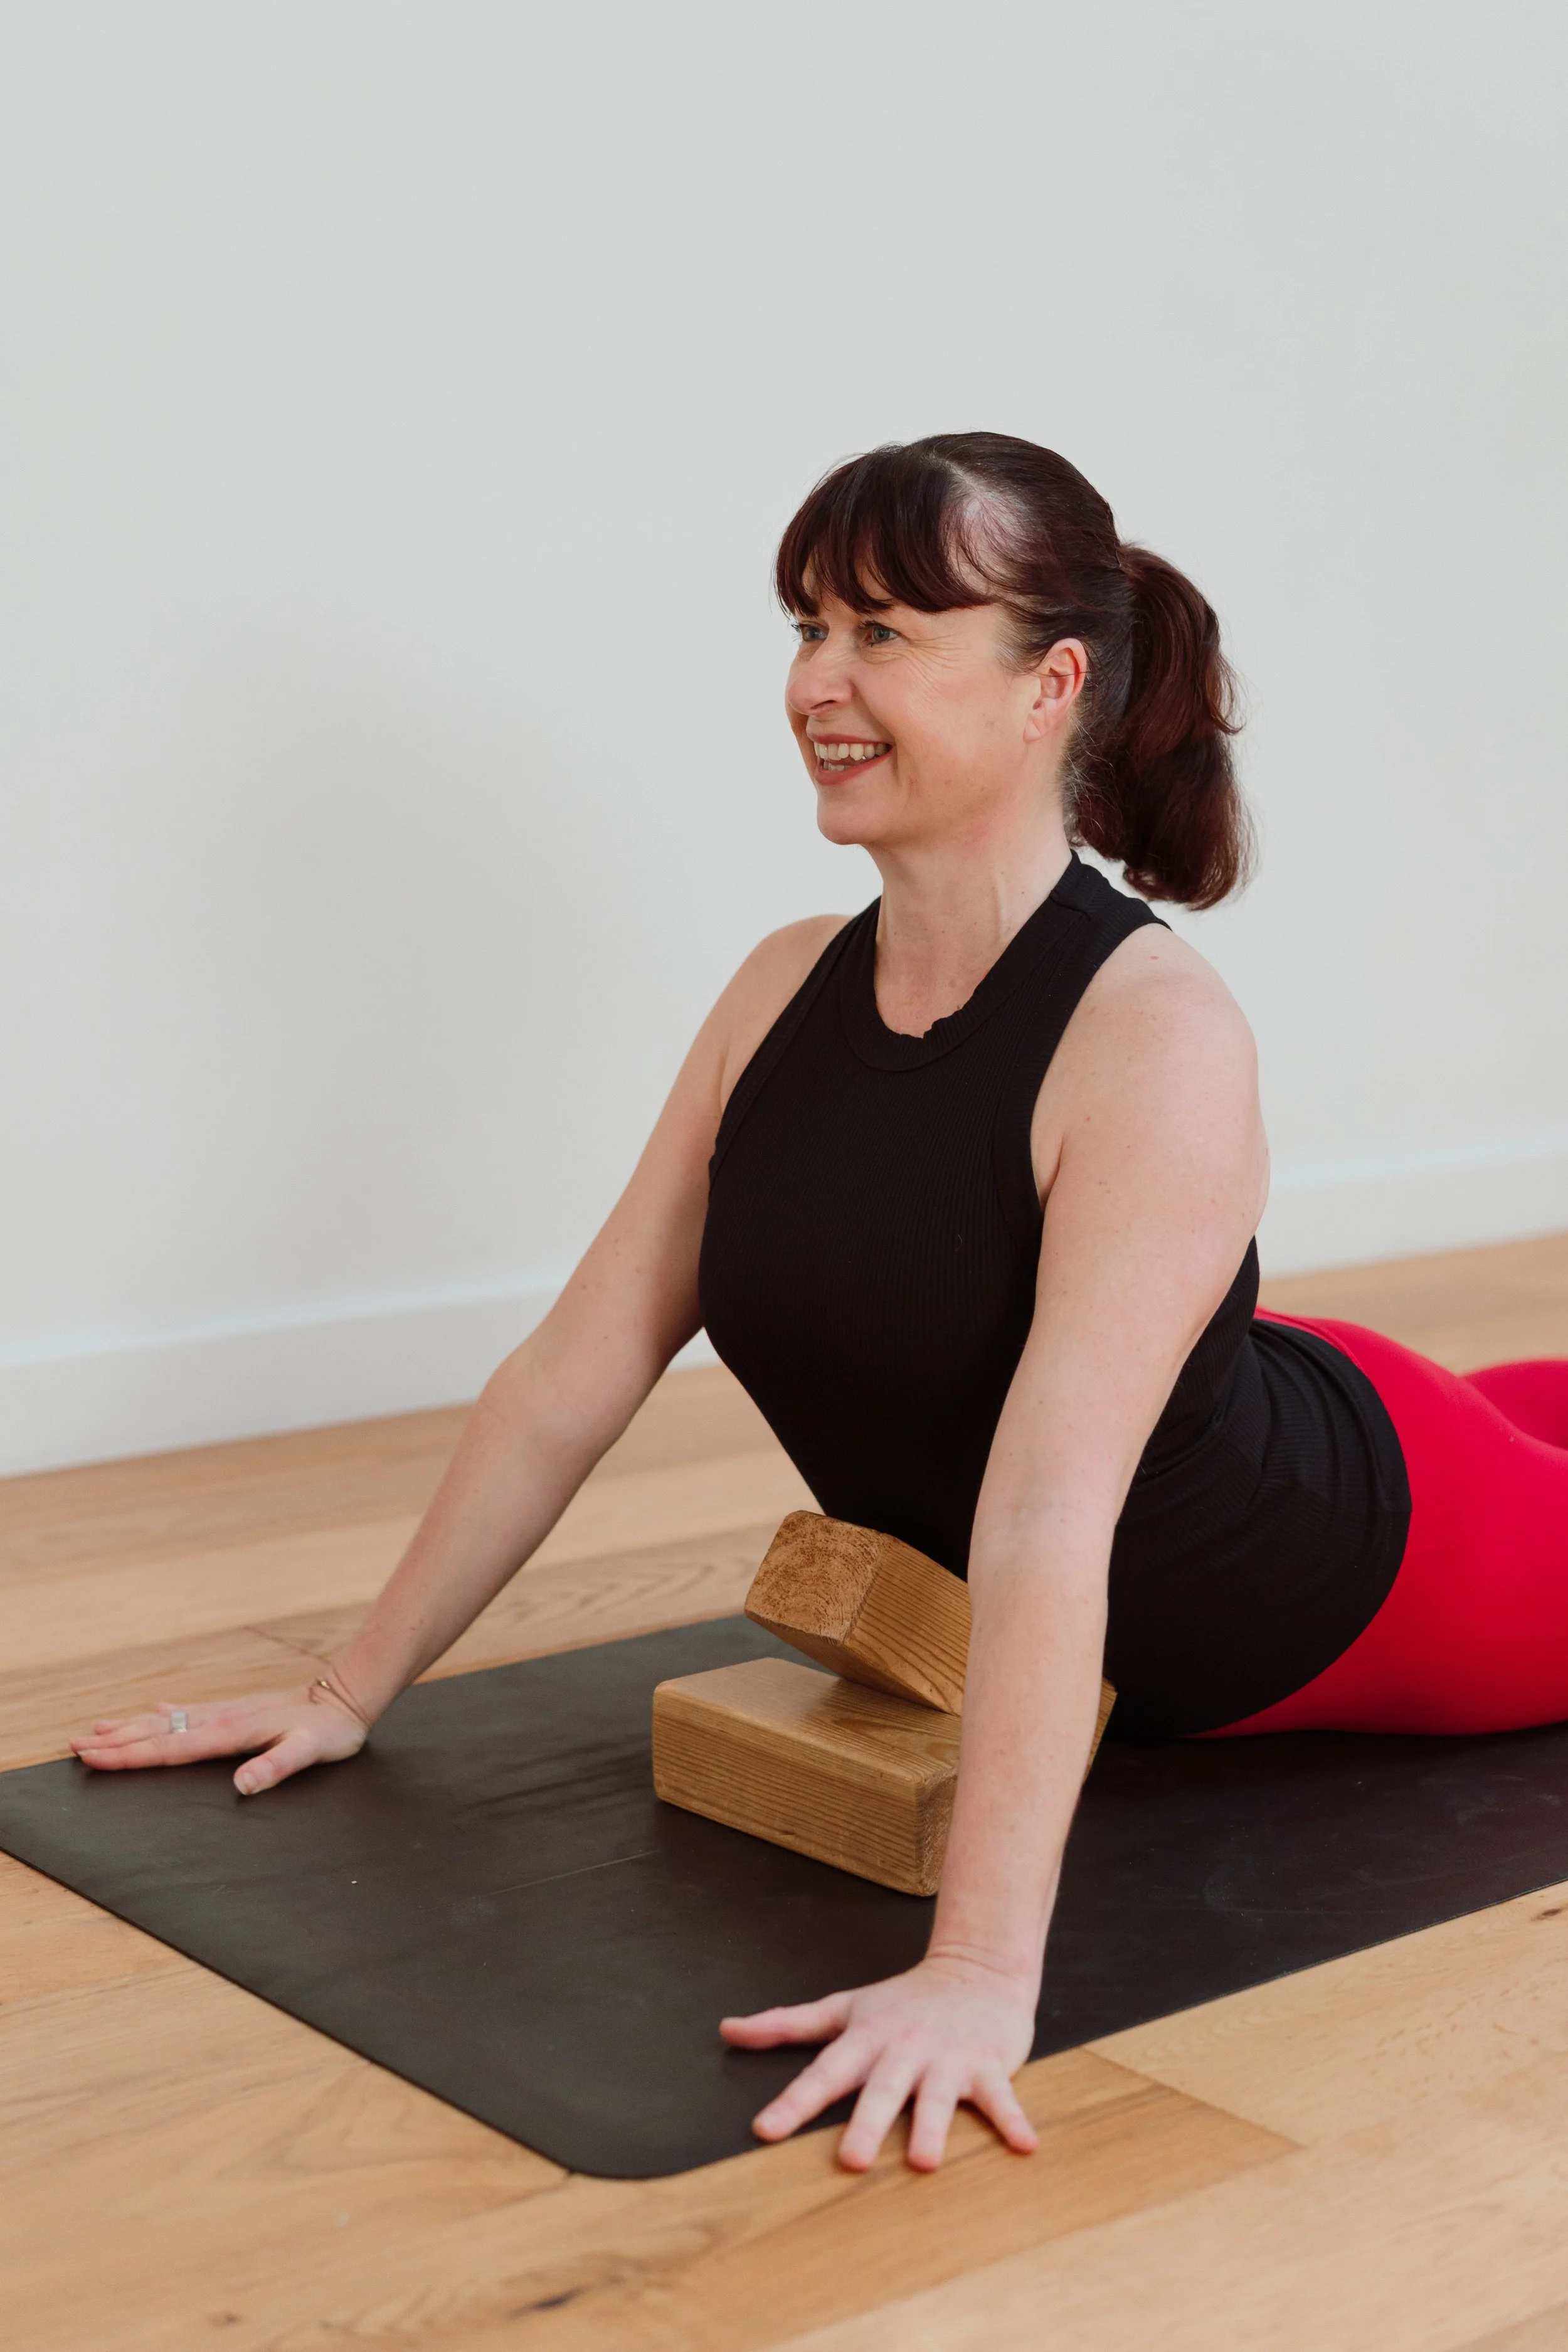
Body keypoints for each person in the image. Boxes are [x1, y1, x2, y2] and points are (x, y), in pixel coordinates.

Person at [72, 433, 1568, 2174]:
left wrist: (980, 1970)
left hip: (1371, 1567)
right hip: (1281, 1400)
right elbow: (579, 1359)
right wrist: (346, 1685)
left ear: (1047, 687)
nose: (816, 684)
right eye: (807, 625)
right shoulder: (777, 987)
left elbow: (1045, 1504)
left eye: (884, 634)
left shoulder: (1152, 1037)